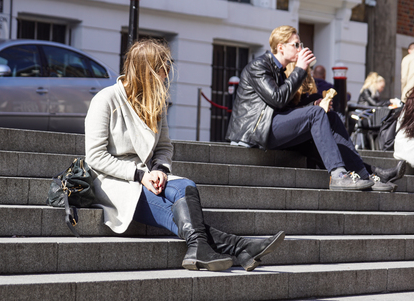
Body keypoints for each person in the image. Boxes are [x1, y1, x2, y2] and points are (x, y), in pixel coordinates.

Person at [84, 39, 285, 272]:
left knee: (185, 185)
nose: (164, 78)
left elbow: (164, 147)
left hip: (147, 174)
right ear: (144, 71)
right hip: (112, 181)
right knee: (173, 214)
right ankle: (240, 247)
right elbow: (95, 156)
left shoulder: (155, 103)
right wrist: (140, 175)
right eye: (161, 72)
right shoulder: (106, 99)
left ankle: (204, 249)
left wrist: (160, 169)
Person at [225, 25, 405, 192]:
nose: (300, 48)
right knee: (317, 115)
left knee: (331, 117)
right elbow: (278, 100)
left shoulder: (279, 70)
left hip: (272, 125)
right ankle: (338, 175)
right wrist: (301, 69)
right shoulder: (259, 66)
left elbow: (285, 106)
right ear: (281, 47)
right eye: (296, 44)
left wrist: (313, 105)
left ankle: (367, 176)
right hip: (256, 131)